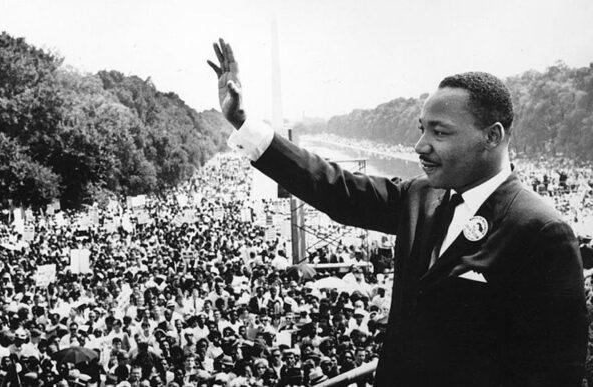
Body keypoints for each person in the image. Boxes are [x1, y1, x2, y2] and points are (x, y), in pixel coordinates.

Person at [208, 38, 588, 386]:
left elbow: (554, 374)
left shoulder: (541, 232)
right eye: (422, 129)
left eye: (439, 132)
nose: (420, 146)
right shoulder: (420, 196)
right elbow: (333, 187)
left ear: (492, 136)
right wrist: (245, 123)